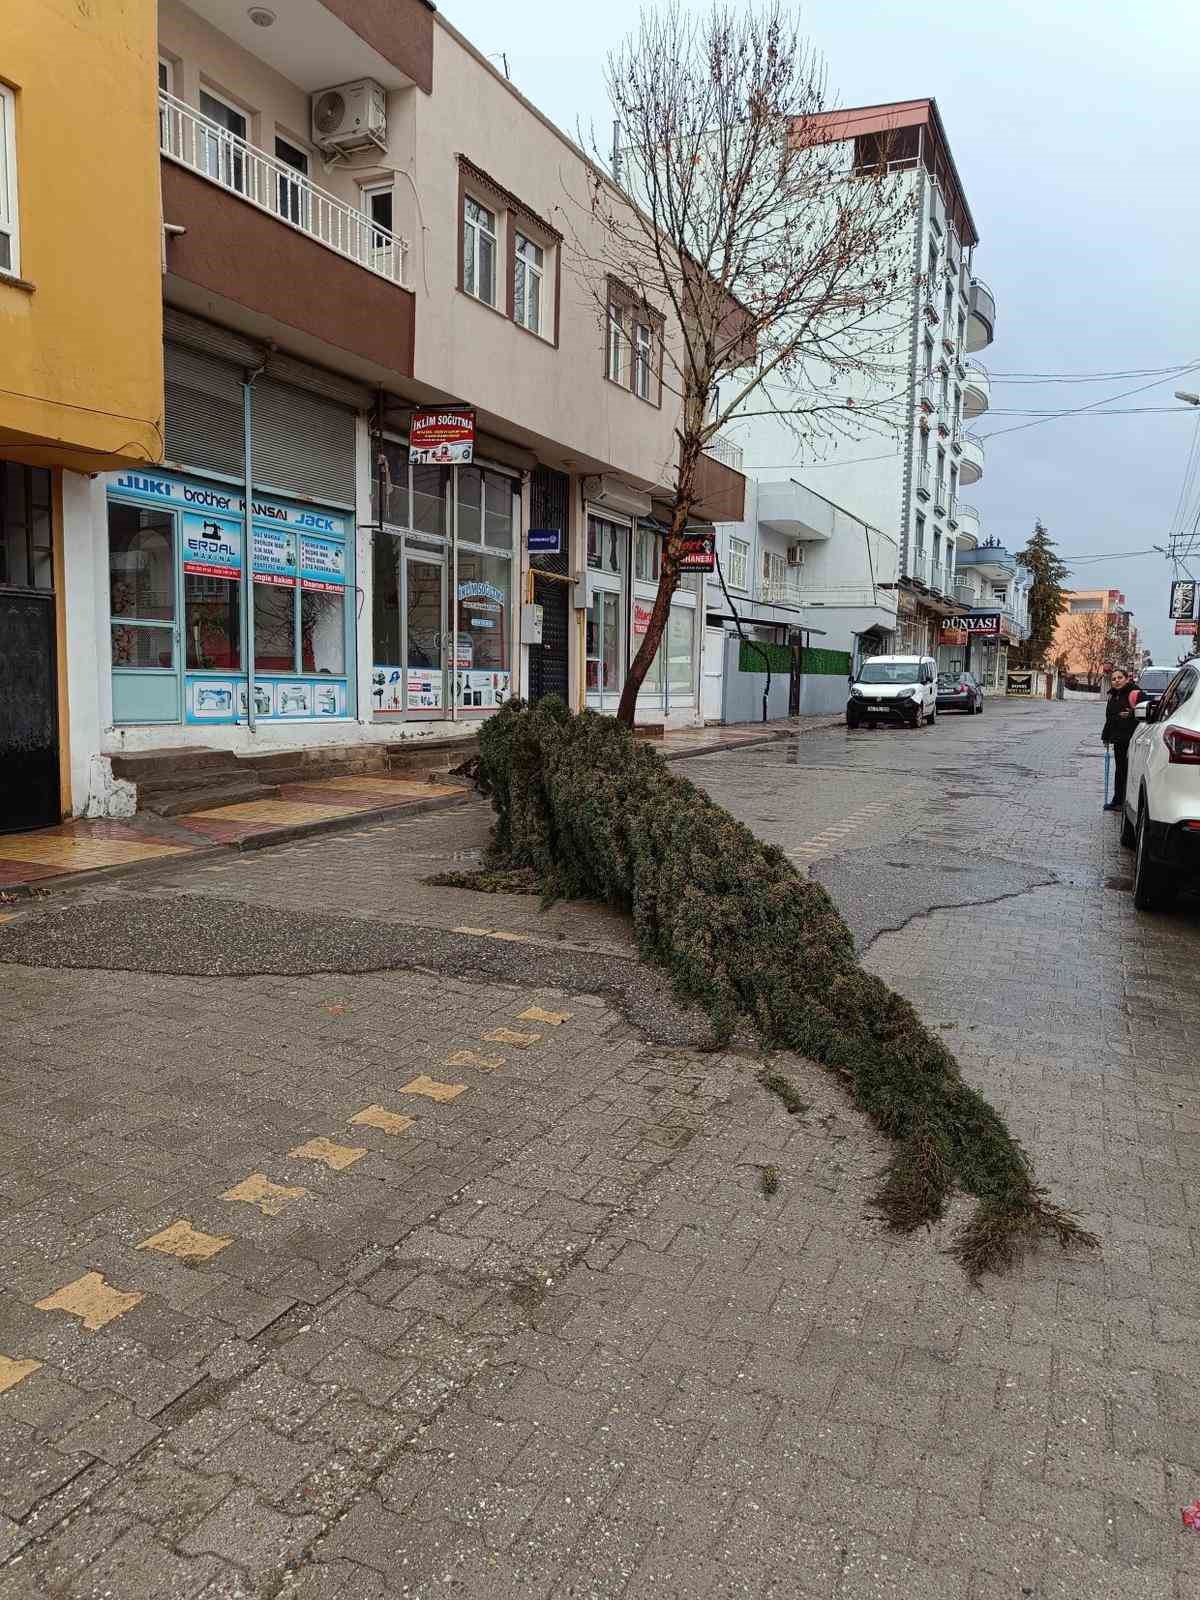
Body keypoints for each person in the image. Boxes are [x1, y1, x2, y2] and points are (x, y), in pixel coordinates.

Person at [1101, 667, 1140, 812]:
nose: (1116, 681)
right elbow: (1109, 719)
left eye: (1119, 678)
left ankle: (1128, 802)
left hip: (1133, 740)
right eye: (1113, 679)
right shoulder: (1113, 696)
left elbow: (1146, 713)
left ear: (1127, 678)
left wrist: (1131, 714)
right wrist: (1106, 736)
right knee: (1120, 771)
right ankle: (1117, 801)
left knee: (1129, 771)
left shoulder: (1135, 693)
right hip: (1119, 740)